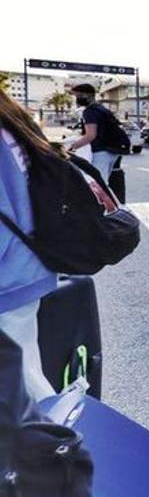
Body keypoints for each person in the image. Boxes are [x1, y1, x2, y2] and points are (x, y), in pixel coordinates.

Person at [0, 89, 58, 401]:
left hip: (7, 275)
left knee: (23, 393)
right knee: (27, 377)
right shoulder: (11, 118)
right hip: (24, 263)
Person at [67, 83, 122, 184]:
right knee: (103, 183)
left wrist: (71, 147)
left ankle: (103, 200)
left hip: (101, 152)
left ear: (86, 95)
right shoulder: (102, 109)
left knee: (97, 185)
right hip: (112, 150)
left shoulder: (89, 112)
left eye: (77, 96)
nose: (76, 99)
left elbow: (90, 135)